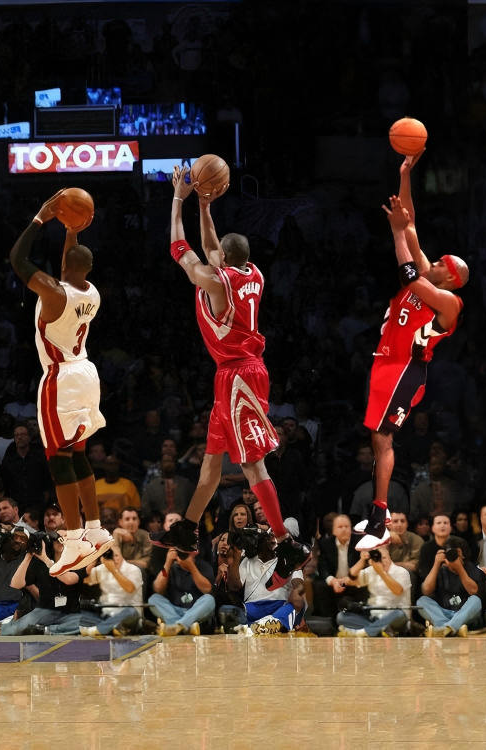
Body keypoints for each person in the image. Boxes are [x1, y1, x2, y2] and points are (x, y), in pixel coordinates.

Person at [157, 166, 308, 587]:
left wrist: (179, 199)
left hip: (239, 375)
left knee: (252, 465)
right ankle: (187, 529)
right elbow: (212, 247)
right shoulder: (252, 272)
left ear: (222, 261)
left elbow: (180, 248)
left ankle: (286, 543)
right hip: (237, 373)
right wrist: (206, 206)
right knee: (211, 461)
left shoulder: (213, 282)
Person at [356, 154, 469, 550]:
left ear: (449, 276)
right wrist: (405, 175)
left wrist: (396, 233)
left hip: (406, 369)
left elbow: (407, 269)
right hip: (386, 362)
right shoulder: (428, 276)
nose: (431, 261)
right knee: (376, 439)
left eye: (438, 262)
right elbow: (410, 223)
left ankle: (380, 516)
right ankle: (379, 513)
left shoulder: (448, 302)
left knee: (383, 437)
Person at [7, 190, 112, 576]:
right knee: (78, 454)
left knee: (58, 458)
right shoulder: (92, 293)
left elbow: (18, 259)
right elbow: (71, 264)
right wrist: (71, 231)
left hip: (60, 377)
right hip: (87, 372)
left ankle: (73, 539)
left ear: (66, 265)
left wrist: (40, 217)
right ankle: (95, 529)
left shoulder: (53, 293)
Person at [226, 528, 306, 635]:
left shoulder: (289, 561)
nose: (274, 540)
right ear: (262, 540)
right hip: (251, 607)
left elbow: (298, 583)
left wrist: (297, 590)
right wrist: (236, 556)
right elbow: (234, 586)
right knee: (227, 611)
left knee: (292, 607)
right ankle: (262, 626)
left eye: (278, 538)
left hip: (278, 606)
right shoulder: (247, 560)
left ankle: (261, 625)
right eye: (270, 536)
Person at [337, 547, 413, 637]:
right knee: (341, 616)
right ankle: (377, 631)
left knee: (398, 613)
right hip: (374, 617)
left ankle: (364, 632)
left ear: (389, 557)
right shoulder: (371, 571)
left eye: (384, 558)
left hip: (395, 617)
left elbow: (397, 591)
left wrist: (381, 572)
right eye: (378, 559)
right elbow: (350, 579)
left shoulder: (401, 572)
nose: (382, 561)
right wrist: (362, 560)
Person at [418, 537, 485, 637]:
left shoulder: (470, 568)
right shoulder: (440, 569)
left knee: (476, 601)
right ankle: (451, 627)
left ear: (462, 554)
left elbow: (473, 591)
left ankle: (444, 628)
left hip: (464, 614)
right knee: (422, 601)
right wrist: (436, 564)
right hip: (444, 613)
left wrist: (459, 568)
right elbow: (426, 591)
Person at [149, 547, 216, 636]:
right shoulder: (170, 567)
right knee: (153, 599)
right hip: (174, 610)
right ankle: (183, 626)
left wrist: (191, 566)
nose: (184, 554)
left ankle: (177, 626)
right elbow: (158, 589)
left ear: (195, 552)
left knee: (209, 599)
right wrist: (168, 562)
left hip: (195, 611)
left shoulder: (204, 566)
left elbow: (207, 590)